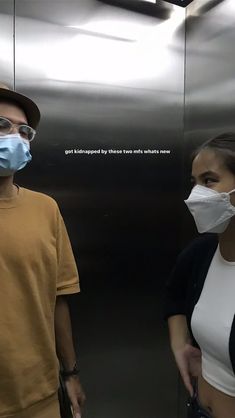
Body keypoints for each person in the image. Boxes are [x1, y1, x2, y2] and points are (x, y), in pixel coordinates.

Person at [0, 84, 86, 418]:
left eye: (24, 130)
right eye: (1, 126)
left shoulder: (45, 209)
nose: (15, 137)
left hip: (38, 396)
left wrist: (71, 372)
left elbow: (57, 297)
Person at [164, 132, 235, 418]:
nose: (196, 196)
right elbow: (174, 296)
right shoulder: (203, 252)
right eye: (194, 183)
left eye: (209, 181)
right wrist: (180, 343)